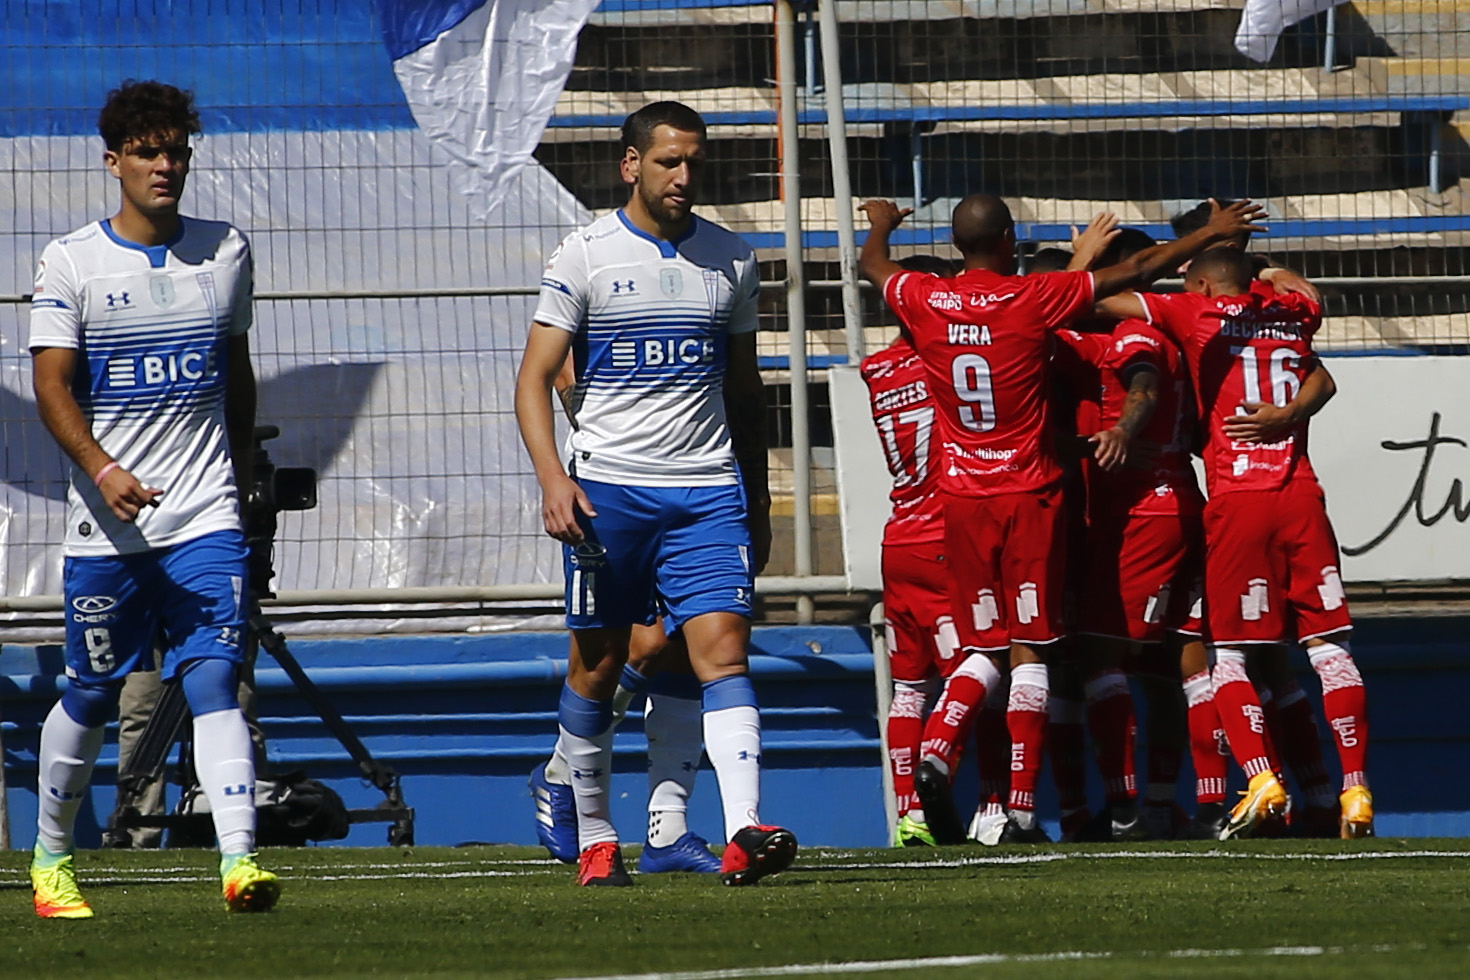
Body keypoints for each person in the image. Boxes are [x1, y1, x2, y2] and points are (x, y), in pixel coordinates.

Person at [858, 194, 1263, 842]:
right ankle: (1019, 806)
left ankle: (938, 751)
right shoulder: (1032, 298)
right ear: (1011, 238)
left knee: (983, 647)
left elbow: (874, 264)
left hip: (960, 500)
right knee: (1035, 649)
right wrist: (1211, 234)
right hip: (1031, 494)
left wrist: (880, 222)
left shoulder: (922, 298)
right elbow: (1136, 273)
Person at [515, 101, 796, 887]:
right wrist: (554, 478)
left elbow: (746, 395)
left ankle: (745, 829)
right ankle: (597, 835)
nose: (684, 175)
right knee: (600, 667)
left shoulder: (733, 259)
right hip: (611, 496)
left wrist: (759, 499)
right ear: (630, 164)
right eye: (669, 161)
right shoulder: (586, 256)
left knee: (723, 652)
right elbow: (535, 380)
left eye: (695, 162)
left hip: (707, 494)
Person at [27, 79, 277, 917]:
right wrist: (102, 468)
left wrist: (239, 474)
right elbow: (52, 387)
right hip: (107, 529)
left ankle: (240, 864)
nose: (164, 166)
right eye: (147, 152)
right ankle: (51, 861)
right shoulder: (71, 262)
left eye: (176, 151)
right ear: (114, 162)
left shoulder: (227, 251)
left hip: (204, 517)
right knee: (93, 694)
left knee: (215, 678)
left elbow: (235, 374)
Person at [1101, 246, 1373, 839]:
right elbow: (1321, 362)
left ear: (1201, 283)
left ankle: (1260, 780)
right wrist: (1289, 413)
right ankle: (1354, 791)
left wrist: (1085, 258)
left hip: (1236, 501)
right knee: (1328, 649)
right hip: (1301, 494)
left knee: (1229, 654)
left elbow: (1094, 296)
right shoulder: (1295, 312)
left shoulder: (1192, 314)